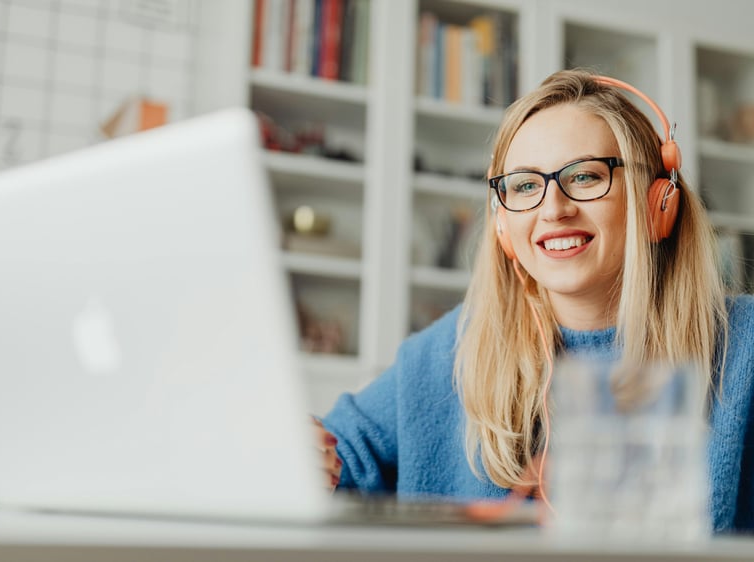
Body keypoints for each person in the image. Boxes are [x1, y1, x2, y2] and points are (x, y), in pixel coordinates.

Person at [314, 69, 754, 533]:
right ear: (502, 223)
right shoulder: (449, 350)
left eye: (585, 176)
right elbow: (340, 457)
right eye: (525, 185)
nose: (553, 208)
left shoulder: (744, 345)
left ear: (657, 203)